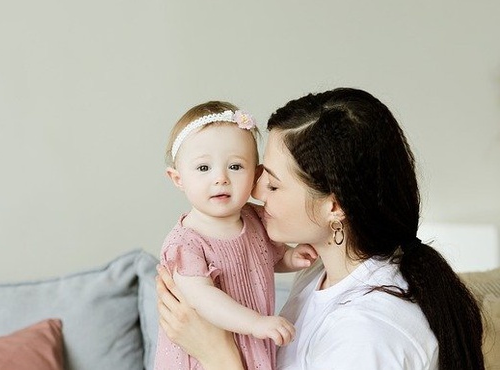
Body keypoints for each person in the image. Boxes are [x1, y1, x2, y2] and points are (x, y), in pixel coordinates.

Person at [156, 89, 485, 370]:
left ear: (334, 206)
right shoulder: (319, 272)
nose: (254, 193)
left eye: (273, 184)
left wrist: (218, 355)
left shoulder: (368, 337)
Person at [155, 101, 317, 370]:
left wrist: (289, 257)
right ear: (178, 178)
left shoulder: (254, 218)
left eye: (235, 167)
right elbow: (202, 298)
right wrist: (255, 323)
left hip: (250, 343)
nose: (221, 178)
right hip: (203, 352)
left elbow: (263, 259)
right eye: (204, 168)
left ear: (256, 175)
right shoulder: (186, 243)